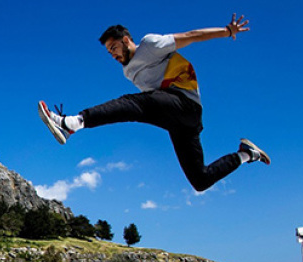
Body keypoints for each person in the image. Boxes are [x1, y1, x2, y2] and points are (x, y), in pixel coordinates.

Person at [37, 14, 269, 192]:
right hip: (178, 122)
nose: (113, 55)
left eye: (114, 48)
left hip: (185, 105)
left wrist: (227, 31)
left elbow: (191, 35)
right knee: (200, 180)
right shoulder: (129, 72)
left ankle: (72, 122)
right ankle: (247, 154)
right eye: (109, 53)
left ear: (126, 40)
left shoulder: (150, 44)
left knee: (134, 104)